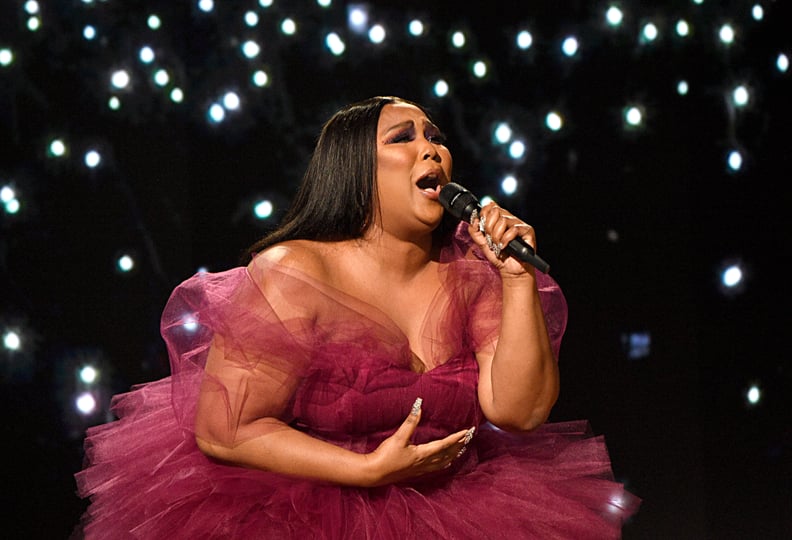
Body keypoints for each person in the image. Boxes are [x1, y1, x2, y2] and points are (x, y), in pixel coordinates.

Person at [75, 96, 639, 538]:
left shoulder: (473, 271)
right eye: (404, 138)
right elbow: (227, 430)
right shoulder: (297, 272)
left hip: (459, 508)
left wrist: (515, 279)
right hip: (307, 512)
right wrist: (368, 471)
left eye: (436, 138)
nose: (432, 150)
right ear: (355, 171)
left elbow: (520, 412)